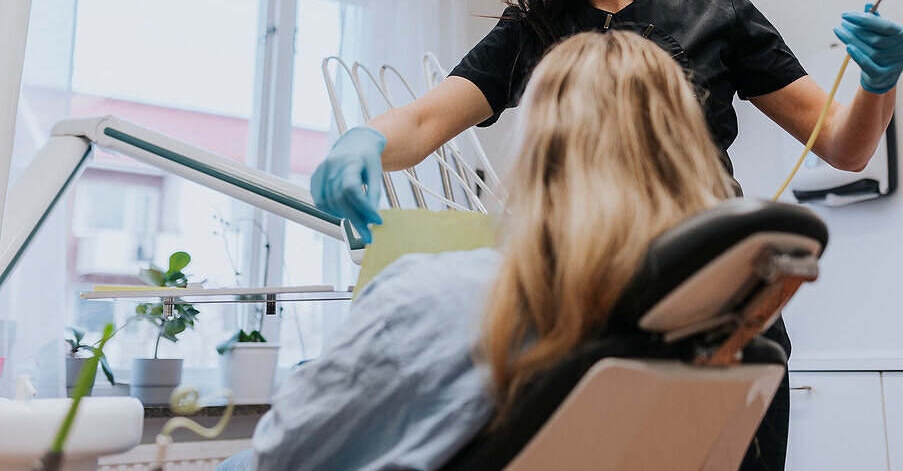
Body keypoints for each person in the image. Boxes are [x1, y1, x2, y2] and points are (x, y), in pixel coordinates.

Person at [310, 0, 903, 469]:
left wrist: (879, 85)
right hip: (586, 313)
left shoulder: (715, 11)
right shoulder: (531, 32)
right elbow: (428, 119)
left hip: (718, 303)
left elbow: (846, 147)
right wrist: (367, 137)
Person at [218, 30, 739, 471]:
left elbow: (280, 458)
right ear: (687, 150)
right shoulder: (697, 331)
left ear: (540, 148)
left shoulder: (431, 299)